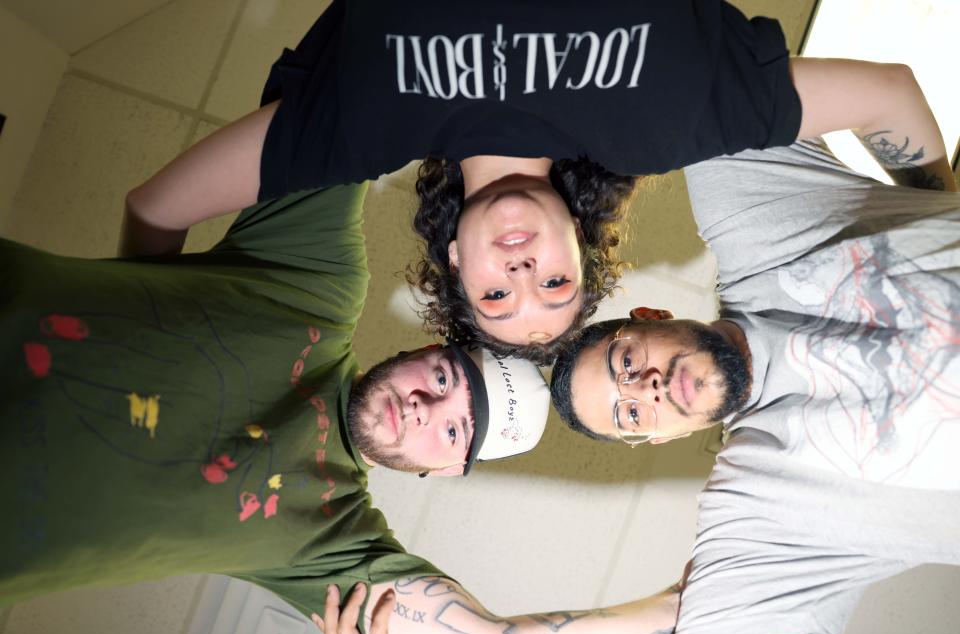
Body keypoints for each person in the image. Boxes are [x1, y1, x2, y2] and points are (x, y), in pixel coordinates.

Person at [7, 181, 676, 634]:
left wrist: (672, 609)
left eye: (452, 429)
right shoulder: (315, 286)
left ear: (443, 470)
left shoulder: (328, 540)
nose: (422, 404)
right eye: (443, 377)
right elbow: (346, 110)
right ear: (425, 347)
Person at [120, 0, 956, 363]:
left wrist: (147, 322)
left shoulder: (356, 136)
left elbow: (153, 208)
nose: (523, 276)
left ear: (454, 261)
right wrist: (938, 218)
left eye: (497, 298)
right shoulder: (668, 128)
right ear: (581, 246)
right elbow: (890, 95)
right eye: (555, 284)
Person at [549, 138, 960, 634]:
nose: (646, 390)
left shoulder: (752, 222)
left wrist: (940, 199)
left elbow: (688, 80)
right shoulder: (759, 502)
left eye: (626, 361)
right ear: (660, 438)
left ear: (652, 316)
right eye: (629, 415)